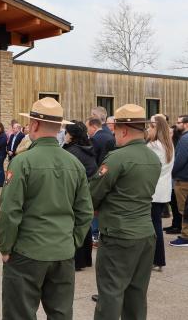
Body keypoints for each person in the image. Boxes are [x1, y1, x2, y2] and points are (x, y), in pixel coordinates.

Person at [0, 97, 93, 320]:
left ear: (35, 125)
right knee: (60, 313)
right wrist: (72, 241)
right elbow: (85, 211)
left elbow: (10, 211)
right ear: (59, 127)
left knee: (19, 313)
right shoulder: (74, 163)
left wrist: (5, 246)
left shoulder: (22, 162)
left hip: (27, 252)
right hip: (62, 251)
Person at [90, 104, 161, 319]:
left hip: (119, 235)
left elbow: (92, 194)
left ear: (123, 130)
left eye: (114, 130)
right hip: (145, 233)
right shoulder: (153, 158)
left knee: (111, 293)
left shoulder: (117, 158)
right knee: (137, 294)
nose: (113, 134)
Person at [63, 121, 98, 271]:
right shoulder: (86, 148)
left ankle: (77, 260)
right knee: (85, 225)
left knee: (75, 226)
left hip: (76, 193)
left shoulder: (72, 152)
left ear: (72, 136)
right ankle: (85, 259)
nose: (64, 135)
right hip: (86, 191)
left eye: (66, 133)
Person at [146, 114, 174, 267]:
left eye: (150, 126)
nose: (147, 129)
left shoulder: (154, 146)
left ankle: (156, 259)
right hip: (162, 191)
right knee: (156, 224)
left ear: (156, 128)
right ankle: (158, 260)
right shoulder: (167, 145)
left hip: (153, 191)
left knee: (153, 226)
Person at [170, 115, 188, 247]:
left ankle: (185, 236)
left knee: (184, 210)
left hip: (183, 180)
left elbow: (180, 160)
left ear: (186, 124)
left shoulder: (185, 139)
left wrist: (172, 172)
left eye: (178, 122)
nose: (176, 125)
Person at [165, 124, 185, 234]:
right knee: (174, 202)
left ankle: (179, 227)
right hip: (172, 178)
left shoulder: (180, 142)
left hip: (176, 177)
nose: (169, 134)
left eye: (171, 133)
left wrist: (172, 172)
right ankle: (175, 224)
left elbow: (178, 161)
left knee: (179, 205)